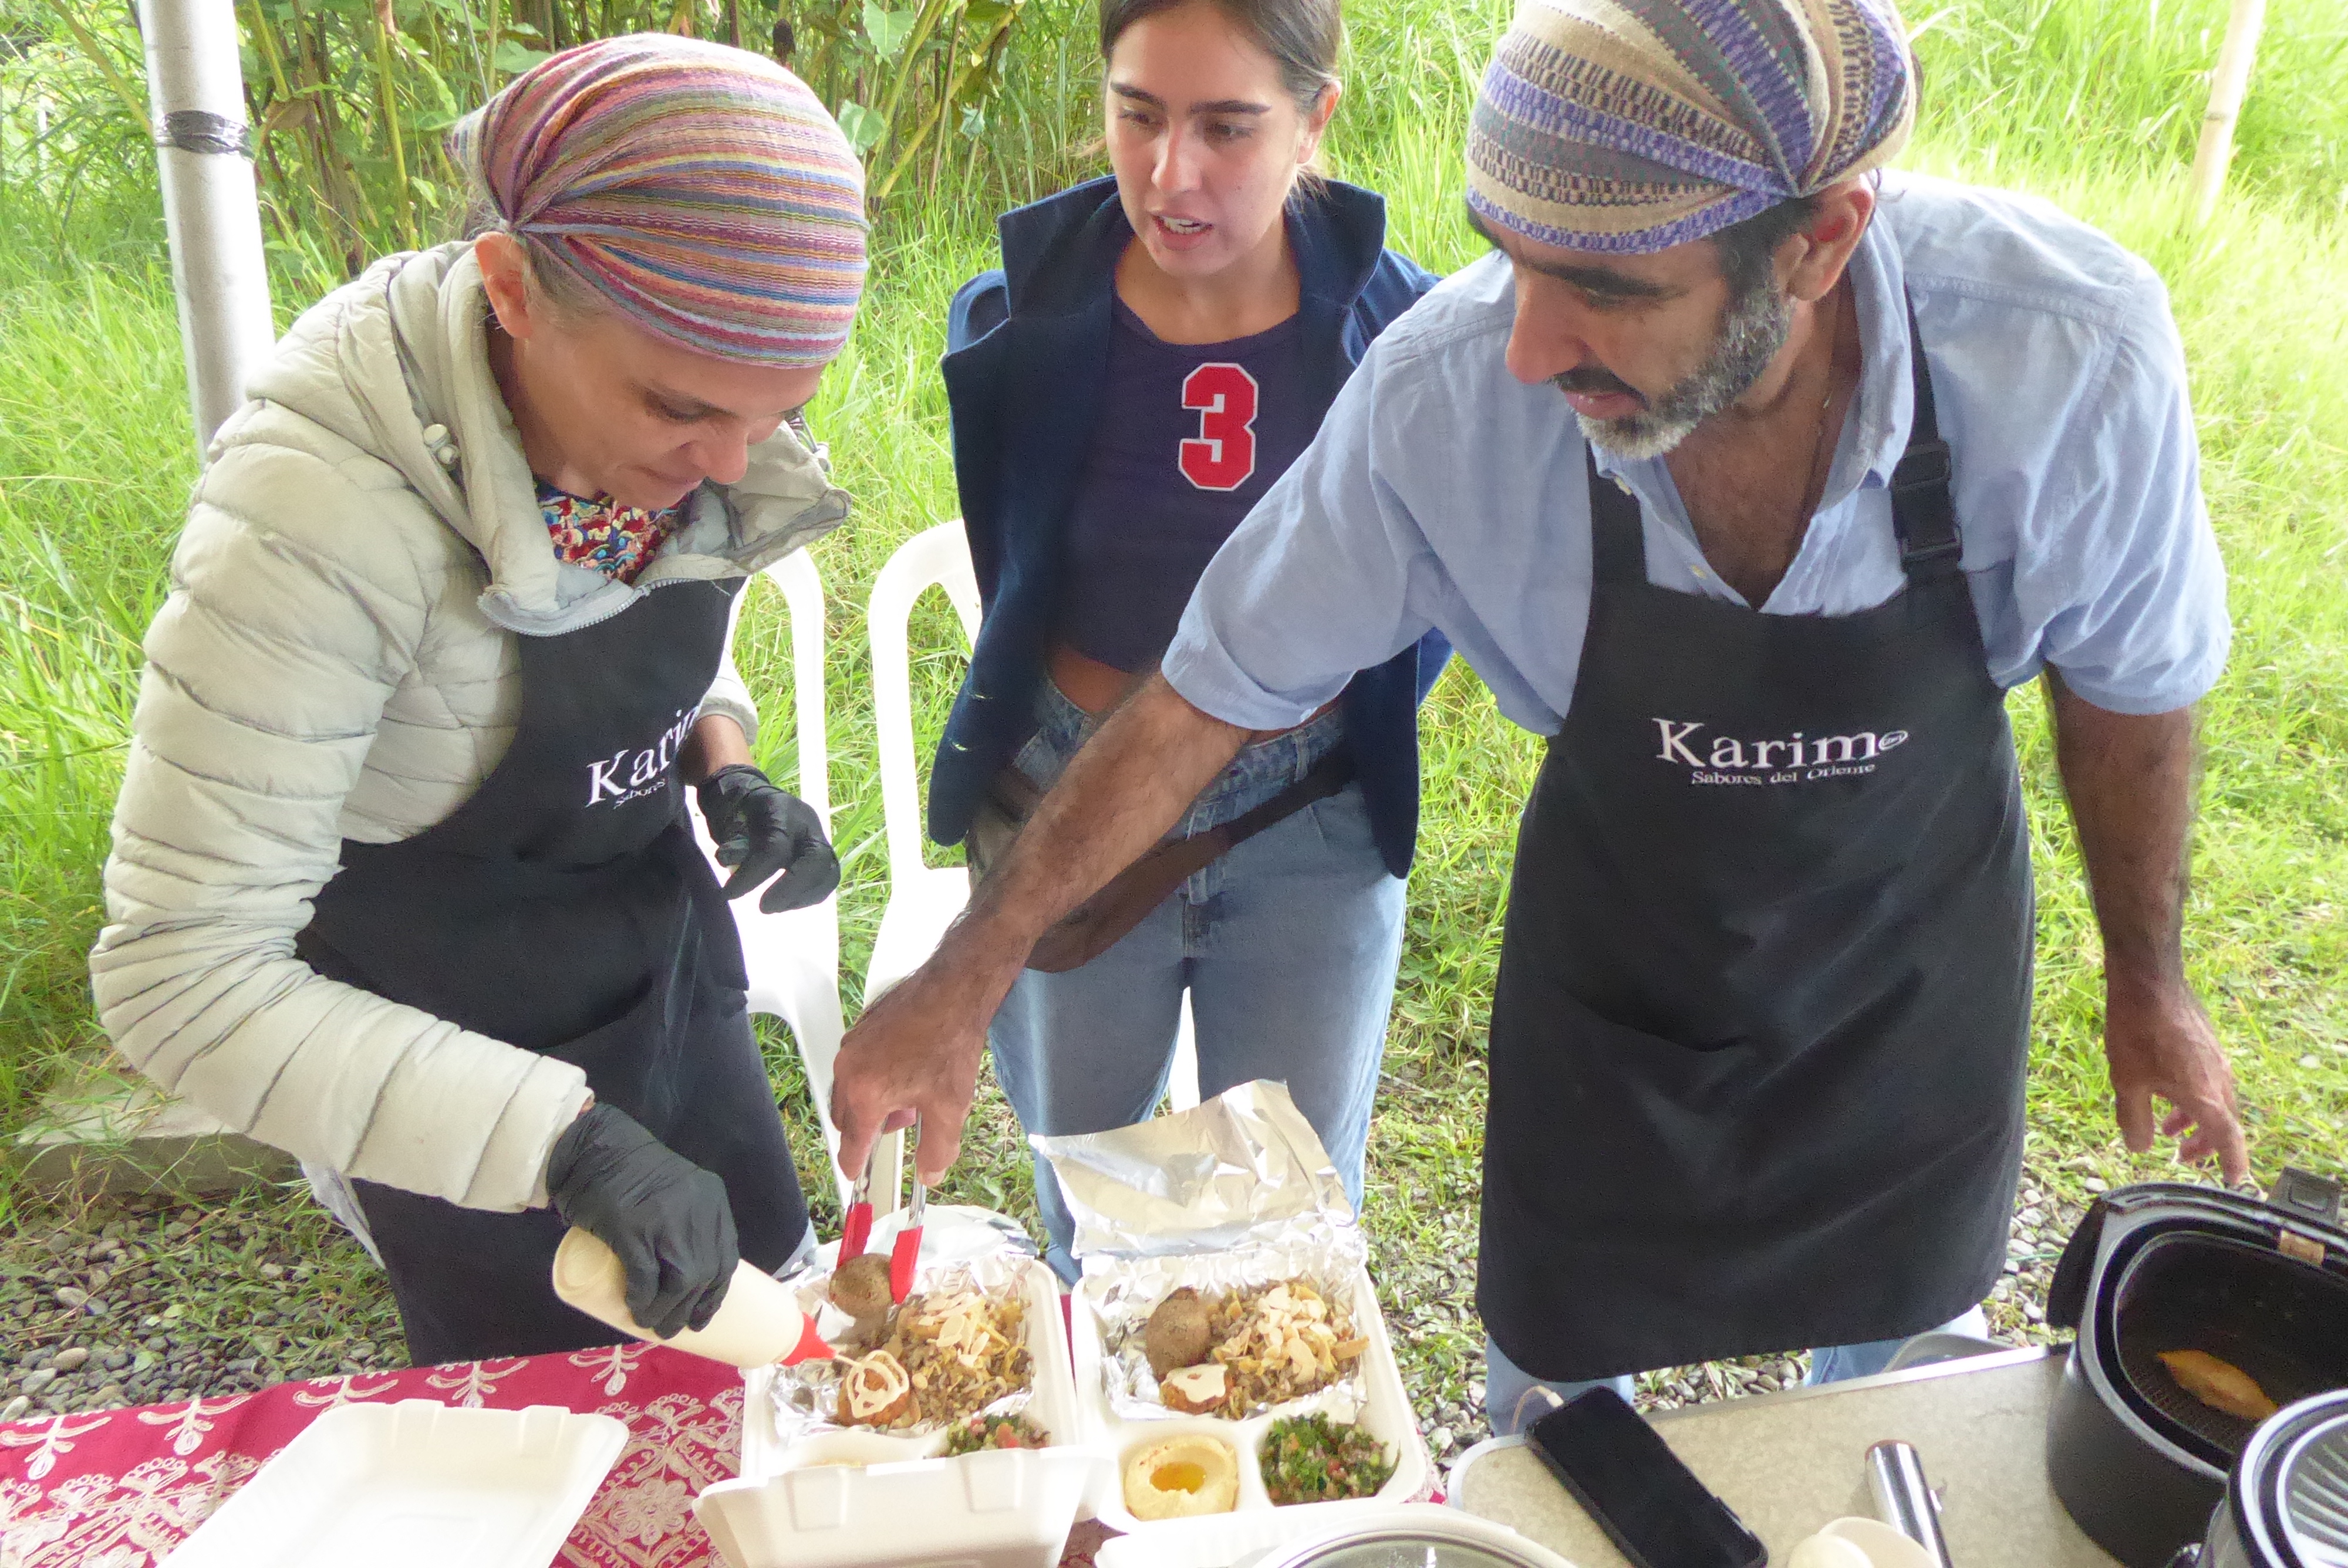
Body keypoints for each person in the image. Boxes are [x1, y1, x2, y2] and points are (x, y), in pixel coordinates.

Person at [832, 0, 2249, 1426]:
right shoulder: (1446, 395)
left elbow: (2129, 684)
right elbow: (1205, 695)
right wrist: (968, 970)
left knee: (1904, 1410)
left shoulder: (2063, 358)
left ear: (1816, 243)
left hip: (1906, 975)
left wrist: (2149, 978)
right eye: (1511, 259)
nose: (1525, 347)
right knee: (1556, 1427)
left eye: (1606, 288)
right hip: (1617, 981)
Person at [90, 35, 869, 1366]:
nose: (732, 467)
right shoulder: (312, 521)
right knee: (563, 1416)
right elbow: (178, 979)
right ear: (510, 288)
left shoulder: (684, 441)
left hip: (657, 977)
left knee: (771, 1355)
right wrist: (558, 1144)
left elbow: (650, 621)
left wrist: (720, 757)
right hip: (447, 1067)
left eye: (777, 413)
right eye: (681, 409)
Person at [926, 0, 1448, 1273]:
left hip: (1305, 811)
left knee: (1293, 1216)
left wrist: (1330, 716)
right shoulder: (1018, 322)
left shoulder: (1400, 336)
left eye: (1226, 127)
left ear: (1314, 119)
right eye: (1139, 115)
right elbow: (1015, 565)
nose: (1171, 175)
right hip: (1062, 791)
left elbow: (1430, 592)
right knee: (1090, 1197)